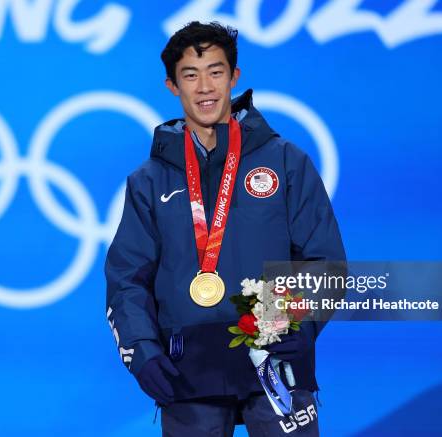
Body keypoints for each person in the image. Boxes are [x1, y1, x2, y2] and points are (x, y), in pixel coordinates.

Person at [105, 21, 345, 436]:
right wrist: (143, 351)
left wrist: (285, 323)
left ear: (234, 77)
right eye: (190, 75)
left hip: (275, 358)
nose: (205, 87)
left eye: (216, 72)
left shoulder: (286, 161)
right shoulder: (149, 180)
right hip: (188, 368)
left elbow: (323, 259)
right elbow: (127, 278)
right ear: (172, 86)